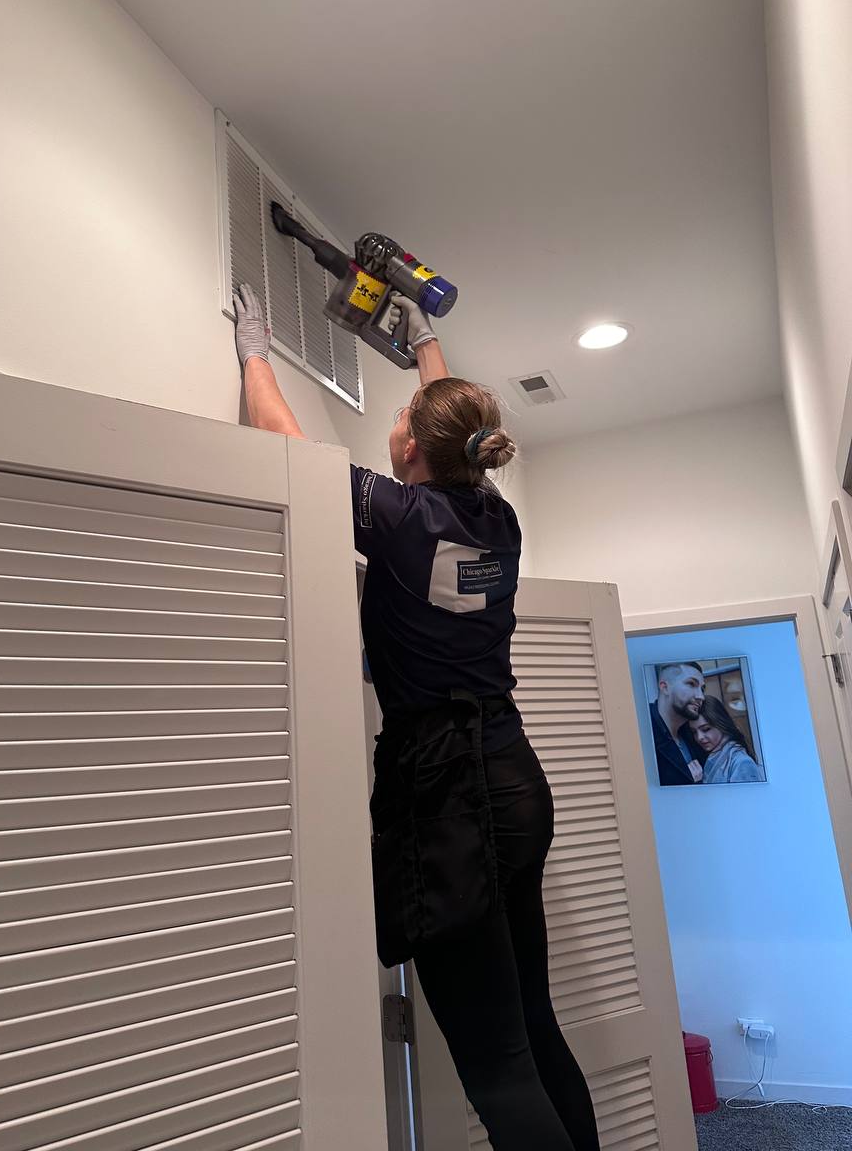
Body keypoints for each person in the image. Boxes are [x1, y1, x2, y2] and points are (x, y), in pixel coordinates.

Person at [233, 283, 599, 1151]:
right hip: (513, 778)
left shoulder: (397, 516)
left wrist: (254, 351)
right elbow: (451, 429)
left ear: (411, 448)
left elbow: (288, 445)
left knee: (497, 1067)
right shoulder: (496, 520)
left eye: (401, 417)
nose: (395, 423)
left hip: (446, 794)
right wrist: (426, 342)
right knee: (533, 1023)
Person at [648, 662, 709, 785]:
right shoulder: (643, 729)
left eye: (702, 689)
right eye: (691, 684)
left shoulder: (694, 735)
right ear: (665, 687)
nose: (701, 696)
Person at [690, 695, 764, 783]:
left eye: (706, 729)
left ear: (721, 724)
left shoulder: (741, 762)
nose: (699, 737)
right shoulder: (713, 758)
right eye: (694, 732)